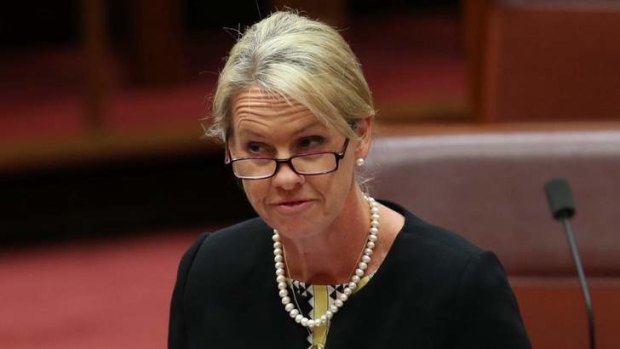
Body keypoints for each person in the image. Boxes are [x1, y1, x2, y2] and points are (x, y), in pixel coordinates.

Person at [168, 10, 531, 349]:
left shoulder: (458, 285)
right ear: (230, 149)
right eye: (257, 148)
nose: (285, 178)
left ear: (360, 136)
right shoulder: (209, 272)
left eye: (308, 144)